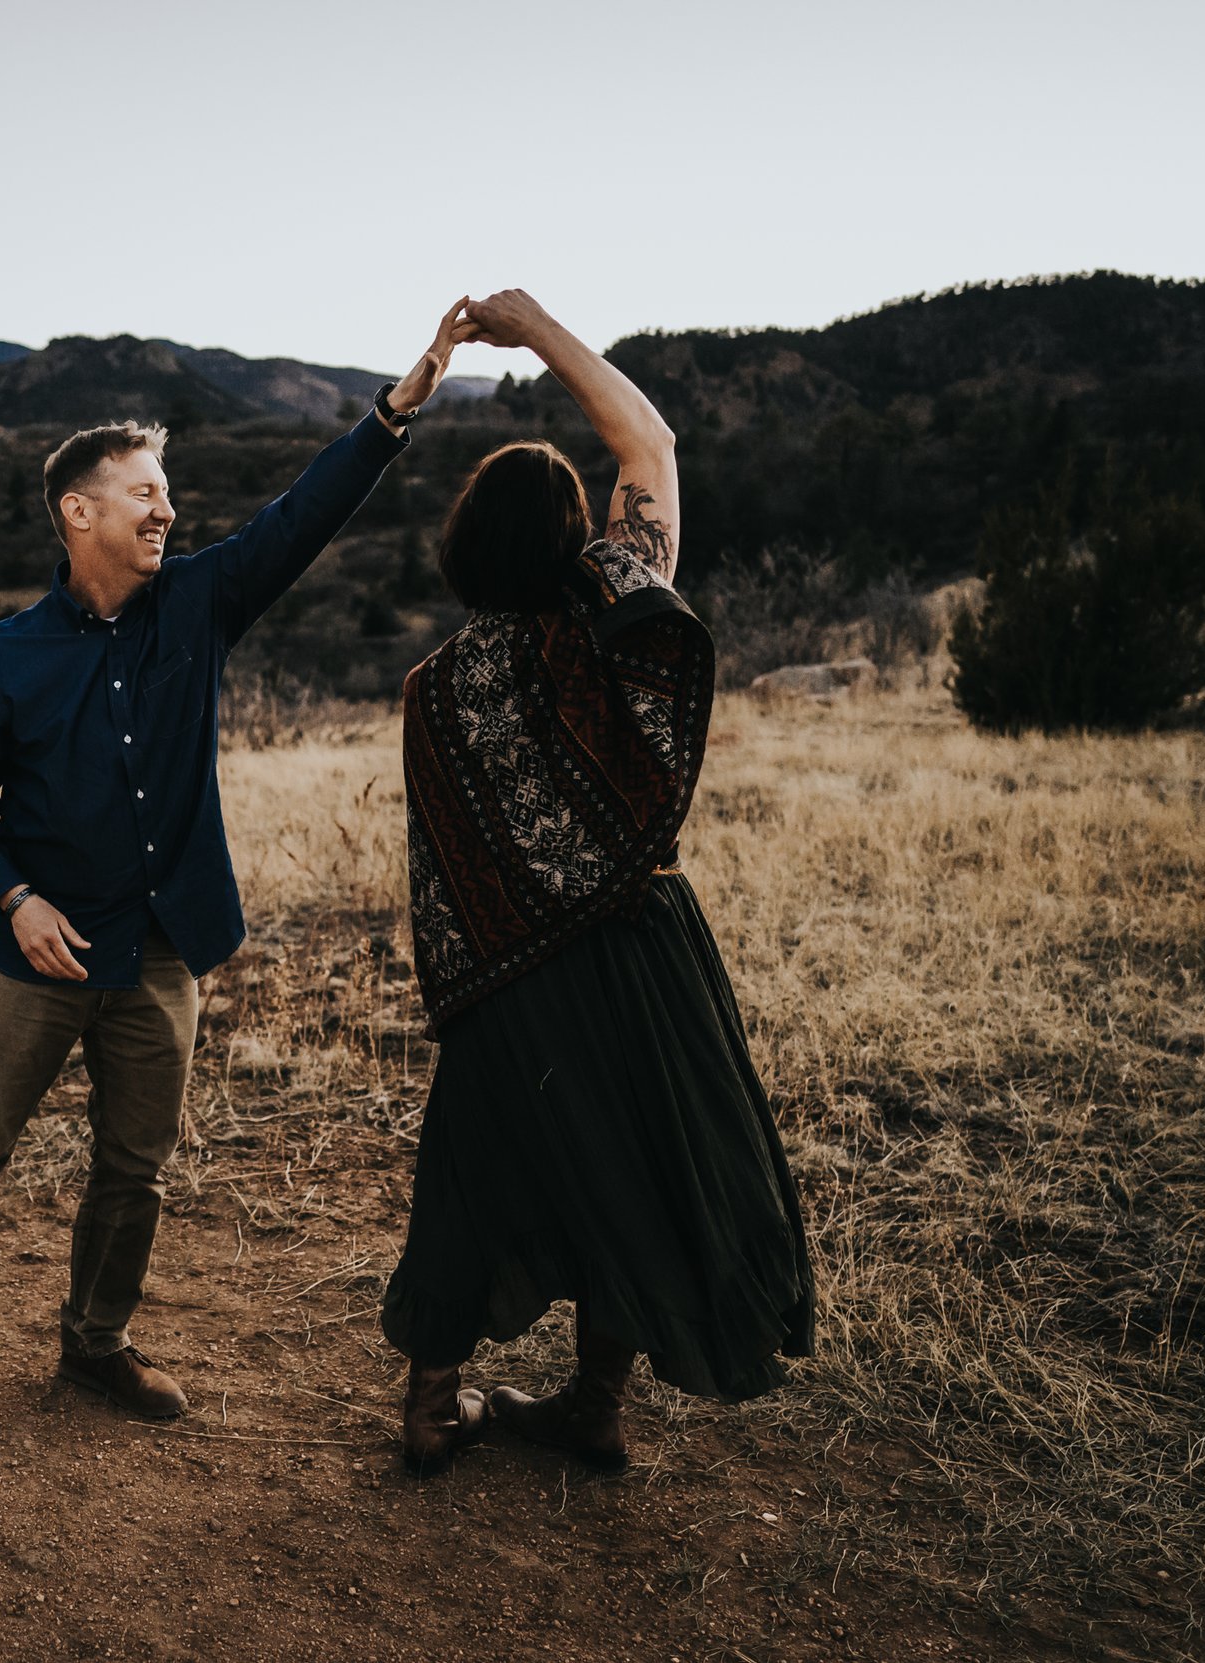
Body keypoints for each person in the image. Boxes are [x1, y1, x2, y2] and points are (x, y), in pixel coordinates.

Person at [0, 301, 476, 1447]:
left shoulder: (196, 603)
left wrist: (391, 415)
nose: (168, 509)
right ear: (77, 511)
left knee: (133, 1170)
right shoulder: (3, 659)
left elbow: (297, 522)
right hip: (35, 953)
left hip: (158, 949)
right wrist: (15, 895)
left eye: (168, 494)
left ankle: (94, 1343)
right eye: (145, 493)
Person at [382, 288, 815, 1478]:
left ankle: (429, 1406)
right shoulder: (609, 614)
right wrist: (539, 331)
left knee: (474, 1171)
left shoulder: (434, 687)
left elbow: (444, 865)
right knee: (631, 1169)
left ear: (467, 547)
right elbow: (651, 445)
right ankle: (593, 1402)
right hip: (634, 954)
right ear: (572, 542)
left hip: (503, 977)